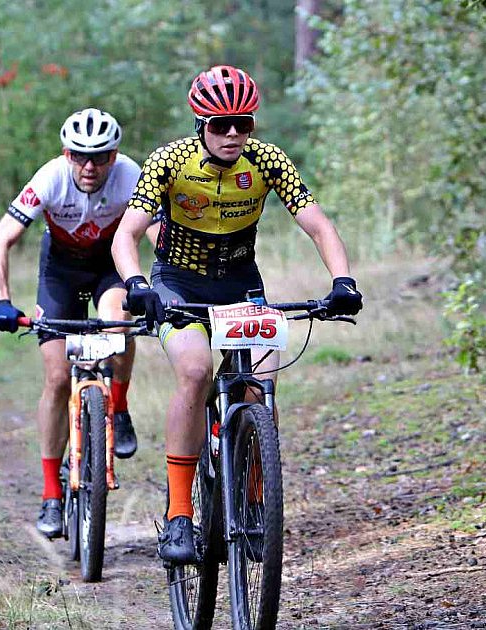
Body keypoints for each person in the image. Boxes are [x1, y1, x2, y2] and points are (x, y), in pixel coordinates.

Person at [110, 66, 364, 564]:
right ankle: (180, 516)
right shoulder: (169, 162)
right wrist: (138, 284)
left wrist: (343, 281)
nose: (232, 134)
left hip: (240, 285)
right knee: (196, 370)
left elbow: (318, 225)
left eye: (242, 123)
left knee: (260, 387)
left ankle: (251, 499)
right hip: (178, 284)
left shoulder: (268, 161)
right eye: (220, 123)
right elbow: (126, 233)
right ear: (200, 123)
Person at [0, 108, 156, 539]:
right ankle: (50, 494)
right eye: (79, 155)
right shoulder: (49, 178)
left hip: (109, 267)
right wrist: (1, 301)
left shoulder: (132, 175)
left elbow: (158, 234)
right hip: (59, 273)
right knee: (58, 379)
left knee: (119, 320)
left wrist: (167, 283)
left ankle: (117, 407)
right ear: (66, 154)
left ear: (115, 156)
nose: (89, 166)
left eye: (100, 156)